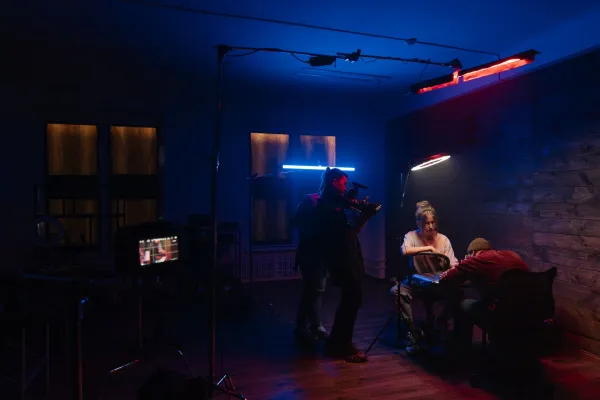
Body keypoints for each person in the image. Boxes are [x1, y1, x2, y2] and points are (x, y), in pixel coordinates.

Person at [317, 167, 378, 363]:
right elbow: (347, 233)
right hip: (342, 259)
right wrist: (365, 215)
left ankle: (338, 343)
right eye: (343, 183)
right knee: (351, 300)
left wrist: (358, 212)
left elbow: (351, 231)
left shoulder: (332, 201)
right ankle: (341, 345)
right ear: (334, 182)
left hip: (345, 257)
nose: (345, 188)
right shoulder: (329, 204)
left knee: (351, 300)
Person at [390, 201, 459, 355]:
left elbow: (453, 263)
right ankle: (413, 333)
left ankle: (442, 323)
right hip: (416, 282)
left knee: (458, 295)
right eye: (427, 223)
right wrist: (428, 248)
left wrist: (451, 271)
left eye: (433, 222)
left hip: (437, 284)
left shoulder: (443, 239)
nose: (431, 226)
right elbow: (405, 250)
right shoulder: (411, 236)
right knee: (396, 291)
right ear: (419, 223)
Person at [438, 238, 529, 349]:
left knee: (463, 304)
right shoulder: (512, 254)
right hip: (526, 312)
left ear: (473, 253)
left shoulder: (477, 259)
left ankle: (460, 349)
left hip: (499, 314)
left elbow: (447, 278)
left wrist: (465, 262)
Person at [292, 188, 329, 343]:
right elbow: (295, 222)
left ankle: (314, 324)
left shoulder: (323, 202)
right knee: (312, 291)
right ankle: (302, 326)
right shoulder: (310, 201)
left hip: (320, 254)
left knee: (316, 291)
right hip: (309, 254)